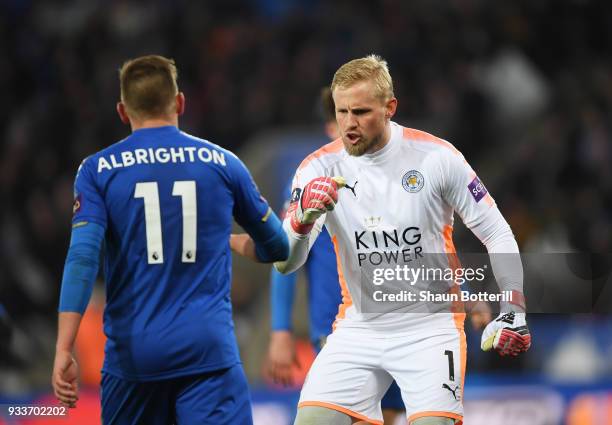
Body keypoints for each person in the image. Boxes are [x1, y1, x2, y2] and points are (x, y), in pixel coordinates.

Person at [273, 55, 531, 425]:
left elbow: (497, 231)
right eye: (341, 112)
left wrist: (514, 309)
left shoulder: (437, 158)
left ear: (390, 107)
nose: (348, 124)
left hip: (430, 332)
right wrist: (301, 222)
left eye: (360, 112)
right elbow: (286, 263)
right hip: (358, 329)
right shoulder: (316, 169)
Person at [51, 55, 288, 425]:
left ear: (122, 111)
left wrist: (64, 347)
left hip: (133, 360)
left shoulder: (97, 170)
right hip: (208, 355)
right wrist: (234, 242)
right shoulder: (223, 163)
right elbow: (278, 247)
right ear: (179, 102)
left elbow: (82, 259)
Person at [266, 87, 408, 424]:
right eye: (341, 120)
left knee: (387, 415)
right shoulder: (313, 179)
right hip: (336, 327)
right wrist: (281, 330)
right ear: (330, 127)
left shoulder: (400, 176)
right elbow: (286, 254)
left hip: (395, 324)